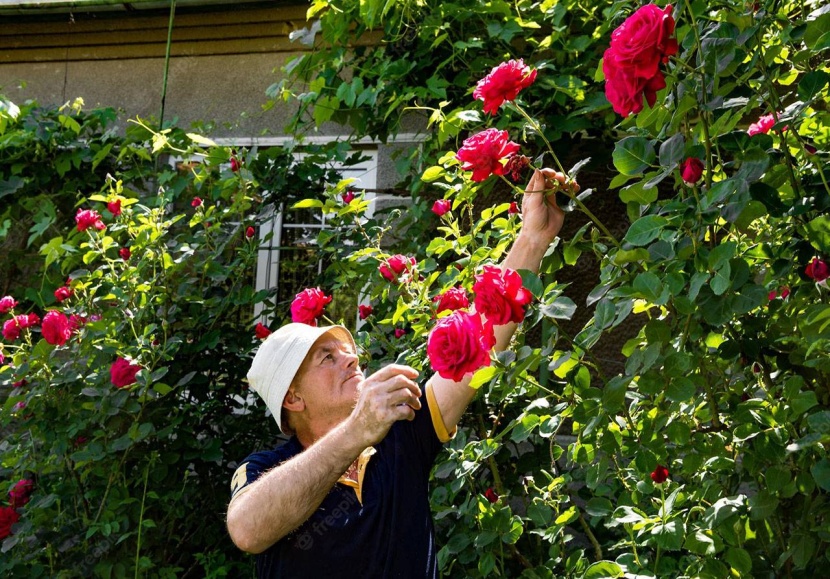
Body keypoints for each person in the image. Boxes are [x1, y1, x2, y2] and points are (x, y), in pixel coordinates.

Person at [226, 168, 570, 577]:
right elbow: (247, 530)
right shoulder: (264, 469)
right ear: (293, 398)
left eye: (346, 351)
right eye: (326, 359)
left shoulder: (404, 430)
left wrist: (533, 236)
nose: (351, 360)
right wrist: (357, 430)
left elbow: (480, 338)